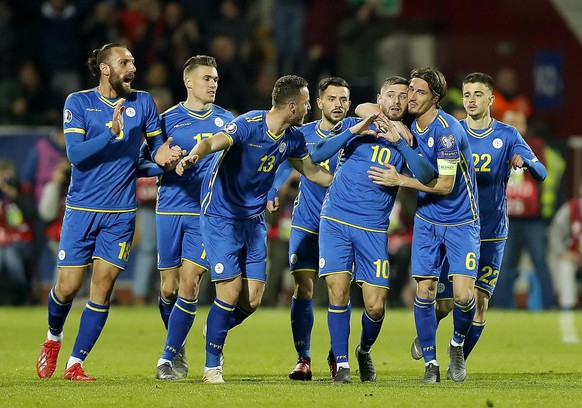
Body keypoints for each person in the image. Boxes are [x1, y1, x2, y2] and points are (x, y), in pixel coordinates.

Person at [36, 43, 181, 381]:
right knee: (68, 287)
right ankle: (52, 339)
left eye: (133, 61)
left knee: (102, 288)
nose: (132, 67)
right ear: (105, 68)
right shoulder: (79, 102)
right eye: (124, 62)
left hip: (120, 214)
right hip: (81, 210)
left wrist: (164, 161)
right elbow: (76, 155)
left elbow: (154, 151)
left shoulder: (143, 102)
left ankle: (75, 363)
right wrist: (111, 134)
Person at [176, 75, 335, 383]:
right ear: (292, 106)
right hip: (221, 217)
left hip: (253, 221)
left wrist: (343, 184)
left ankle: (215, 328)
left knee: (252, 300)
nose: (308, 109)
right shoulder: (249, 124)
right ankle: (212, 367)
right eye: (305, 103)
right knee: (230, 291)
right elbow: (214, 142)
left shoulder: (292, 138)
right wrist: (196, 154)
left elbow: (312, 171)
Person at [408, 72, 548, 364]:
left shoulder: (507, 135)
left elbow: (542, 172)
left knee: (479, 302)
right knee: (447, 302)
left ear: (491, 100)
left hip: (491, 230)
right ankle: (428, 329)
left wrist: (525, 163)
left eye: (478, 94)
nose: (471, 100)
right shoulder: (452, 130)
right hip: (456, 225)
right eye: (467, 94)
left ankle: (458, 355)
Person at [362, 67, 480, 383]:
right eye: (410, 90)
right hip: (427, 220)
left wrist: (400, 179)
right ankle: (431, 364)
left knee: (463, 297)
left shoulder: (446, 133)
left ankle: (456, 345)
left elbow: (444, 185)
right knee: (424, 290)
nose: (411, 97)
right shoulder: (411, 125)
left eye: (419, 92)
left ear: (435, 98)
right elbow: (367, 109)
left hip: (460, 221)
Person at [312, 76, 433, 383]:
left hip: (374, 229)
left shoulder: (408, 137)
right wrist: (357, 127)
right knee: (337, 292)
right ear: (380, 99)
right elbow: (316, 155)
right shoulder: (357, 125)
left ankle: (363, 350)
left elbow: (427, 176)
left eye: (402, 97)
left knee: (376, 306)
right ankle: (341, 364)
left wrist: (399, 145)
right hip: (336, 220)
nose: (396, 100)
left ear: (408, 104)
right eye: (390, 95)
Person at [266, 77, 354, 381]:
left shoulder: (357, 131)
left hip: (343, 225)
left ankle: (336, 353)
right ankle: (303, 358)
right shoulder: (301, 133)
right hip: (307, 221)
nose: (338, 105)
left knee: (338, 291)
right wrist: (272, 190)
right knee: (303, 286)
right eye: (332, 99)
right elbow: (282, 164)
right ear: (319, 103)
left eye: (343, 99)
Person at [153, 55, 234, 381]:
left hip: (206, 213)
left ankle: (166, 357)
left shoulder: (227, 119)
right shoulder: (167, 119)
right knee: (169, 289)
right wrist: (164, 162)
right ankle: (178, 341)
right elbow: (145, 160)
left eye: (215, 78)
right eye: (206, 78)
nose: (213, 84)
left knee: (191, 282)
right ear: (188, 82)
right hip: (170, 209)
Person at [549, 182, 582, 310]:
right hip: (574, 255)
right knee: (565, 266)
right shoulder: (570, 208)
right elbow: (555, 233)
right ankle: (567, 305)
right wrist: (563, 253)